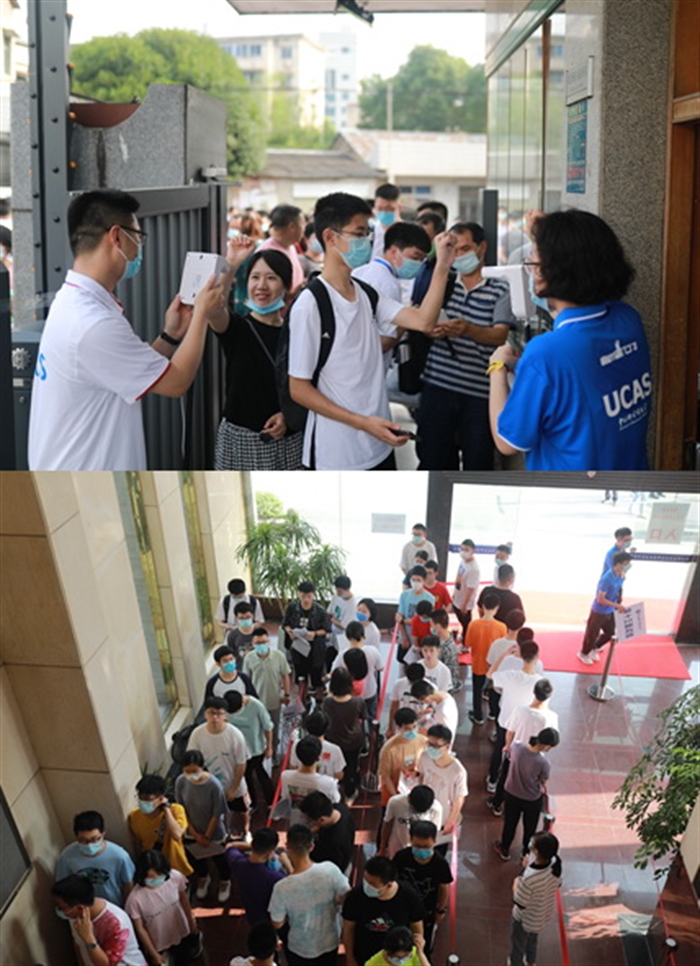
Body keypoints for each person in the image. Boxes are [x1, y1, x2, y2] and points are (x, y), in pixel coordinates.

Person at [28, 188, 225, 470]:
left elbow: (125, 371)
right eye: (138, 237)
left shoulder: (73, 302)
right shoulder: (93, 324)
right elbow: (177, 382)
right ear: (117, 237)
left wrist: (170, 336)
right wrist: (202, 315)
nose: (139, 248)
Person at [287, 192, 456, 471]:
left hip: (379, 441)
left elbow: (424, 322)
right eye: (358, 234)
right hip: (339, 453)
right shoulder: (310, 304)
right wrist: (363, 423)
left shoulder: (367, 293)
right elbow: (299, 389)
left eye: (368, 233)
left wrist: (442, 266)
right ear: (330, 237)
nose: (366, 242)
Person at [489, 208, 652, 470]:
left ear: (546, 273)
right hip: (631, 482)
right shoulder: (627, 319)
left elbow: (507, 442)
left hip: (570, 491)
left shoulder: (546, 353)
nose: (532, 271)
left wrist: (497, 367)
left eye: (533, 264)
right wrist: (545, 238)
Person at [417, 220, 515, 470]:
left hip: (479, 393)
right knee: (434, 458)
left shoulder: (501, 288)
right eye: (454, 249)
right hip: (438, 385)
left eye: (465, 249)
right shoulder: (443, 282)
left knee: (477, 462)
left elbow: (499, 336)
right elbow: (421, 320)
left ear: (482, 247)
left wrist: (468, 330)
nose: (459, 255)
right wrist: (433, 330)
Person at [208, 244, 303, 470]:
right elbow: (213, 307)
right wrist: (232, 263)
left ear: (286, 285)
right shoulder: (237, 327)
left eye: (271, 278)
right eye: (255, 277)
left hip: (290, 441)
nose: (261, 286)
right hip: (241, 440)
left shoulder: (296, 332)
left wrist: (288, 416)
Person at [269, 823, 351, 966]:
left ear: (287, 846)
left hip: (300, 947)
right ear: (312, 846)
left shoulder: (282, 887)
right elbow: (347, 897)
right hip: (330, 941)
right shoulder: (330, 869)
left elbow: (277, 922)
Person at [486, 640, 543, 801]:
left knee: (499, 749)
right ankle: (509, 788)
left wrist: (504, 655)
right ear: (537, 657)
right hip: (523, 726)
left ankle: (492, 780)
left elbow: (489, 674)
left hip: (505, 721)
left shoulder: (510, 676)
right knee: (516, 758)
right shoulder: (539, 681)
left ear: (520, 656)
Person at [342, 854, 425, 966]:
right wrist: (350, 957)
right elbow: (349, 928)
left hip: (396, 959)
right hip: (364, 956)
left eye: (372, 884)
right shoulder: (355, 897)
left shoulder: (409, 897)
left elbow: (416, 928)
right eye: (365, 880)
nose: (367, 886)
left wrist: (417, 953)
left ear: (389, 885)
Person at [186, 697, 251, 841]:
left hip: (233, 783)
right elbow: (192, 760)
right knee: (217, 813)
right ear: (205, 714)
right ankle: (226, 834)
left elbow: (241, 763)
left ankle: (246, 830)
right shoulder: (197, 734)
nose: (215, 717)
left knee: (242, 809)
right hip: (210, 785)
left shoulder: (235, 735)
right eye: (211, 713)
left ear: (225, 715)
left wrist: (234, 788)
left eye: (219, 714)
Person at [174, 749, 231, 904]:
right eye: (187, 771)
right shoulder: (181, 782)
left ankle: (225, 881)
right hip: (192, 830)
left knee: (219, 859)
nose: (191, 775)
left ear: (203, 766)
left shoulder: (214, 785)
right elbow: (181, 809)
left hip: (213, 831)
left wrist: (206, 836)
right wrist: (195, 834)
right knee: (197, 858)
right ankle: (204, 877)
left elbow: (217, 814)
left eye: (194, 771)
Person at [494, 728, 560, 861]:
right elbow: (543, 781)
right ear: (547, 746)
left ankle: (505, 848)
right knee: (530, 828)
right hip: (531, 799)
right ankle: (526, 852)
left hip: (511, 793)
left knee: (509, 823)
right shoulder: (544, 763)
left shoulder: (517, 747)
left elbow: (509, 757)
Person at [52, 874, 146, 966]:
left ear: (80, 908)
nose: (60, 911)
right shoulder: (76, 914)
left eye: (61, 908)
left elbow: (107, 964)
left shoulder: (115, 922)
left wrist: (88, 938)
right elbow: (78, 944)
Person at [125, 851, 200, 965]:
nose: (156, 879)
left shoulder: (175, 877)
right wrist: (153, 953)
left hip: (180, 928)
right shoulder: (135, 899)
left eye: (159, 874)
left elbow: (184, 900)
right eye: (151, 876)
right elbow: (140, 929)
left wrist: (191, 920)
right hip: (158, 939)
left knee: (184, 956)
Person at [394, 820, 453, 957]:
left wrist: (441, 909)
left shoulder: (440, 863)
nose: (421, 850)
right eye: (417, 846)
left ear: (434, 841)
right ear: (410, 839)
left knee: (423, 939)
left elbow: (444, 886)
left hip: (427, 910)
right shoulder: (401, 857)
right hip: (404, 907)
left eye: (426, 846)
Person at [56, 810, 135, 908]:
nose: (89, 845)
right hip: (84, 909)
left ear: (103, 834)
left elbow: (128, 884)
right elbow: (63, 886)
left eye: (95, 839)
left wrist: (127, 908)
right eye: (83, 840)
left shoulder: (119, 856)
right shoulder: (67, 856)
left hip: (114, 906)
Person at [508, 832, 563, 966]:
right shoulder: (555, 864)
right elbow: (557, 883)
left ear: (536, 851)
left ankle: (515, 963)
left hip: (524, 918)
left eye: (532, 844)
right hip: (540, 915)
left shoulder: (530, 877)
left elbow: (520, 903)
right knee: (532, 940)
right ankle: (531, 962)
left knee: (518, 943)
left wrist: (516, 882)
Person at [242, 626, 292, 761]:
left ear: (269, 641)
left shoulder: (278, 656)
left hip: (274, 700)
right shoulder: (249, 658)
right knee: (258, 728)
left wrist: (287, 694)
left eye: (264, 642)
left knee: (274, 727)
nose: (261, 645)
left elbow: (285, 675)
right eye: (258, 643)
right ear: (253, 644)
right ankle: (260, 753)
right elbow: (246, 680)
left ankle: (273, 753)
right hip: (256, 702)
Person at [128, 774, 192, 878]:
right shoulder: (134, 816)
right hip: (153, 868)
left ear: (160, 798)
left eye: (148, 799)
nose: (144, 802)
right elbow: (137, 844)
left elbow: (177, 834)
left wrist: (166, 809)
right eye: (141, 797)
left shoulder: (176, 810)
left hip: (175, 867)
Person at [416, 725, 467, 851]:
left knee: (438, 849)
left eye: (436, 746)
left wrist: (451, 821)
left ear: (448, 747)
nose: (432, 749)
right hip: (425, 812)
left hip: (443, 817)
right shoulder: (424, 757)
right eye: (430, 744)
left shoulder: (458, 771)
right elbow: (421, 777)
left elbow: (459, 799)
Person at [226, 828, 288, 925]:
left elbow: (229, 846)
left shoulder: (237, 863)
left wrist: (255, 847)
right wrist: (287, 863)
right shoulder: (276, 878)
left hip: (251, 913)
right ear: (269, 853)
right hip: (271, 917)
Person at [578, 550, 631, 664]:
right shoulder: (606, 579)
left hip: (610, 610)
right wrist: (617, 605)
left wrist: (618, 602)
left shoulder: (621, 576)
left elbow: (618, 589)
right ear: (618, 564)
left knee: (610, 633)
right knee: (592, 634)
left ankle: (595, 647)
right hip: (599, 611)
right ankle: (584, 653)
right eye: (626, 564)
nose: (628, 566)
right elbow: (600, 599)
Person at [225, 690, 275, 812]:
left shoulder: (257, 706)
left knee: (261, 774)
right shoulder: (227, 707)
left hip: (256, 749)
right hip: (240, 751)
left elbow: (268, 727)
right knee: (247, 776)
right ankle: (253, 803)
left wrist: (269, 747)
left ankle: (271, 801)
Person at [322, 667, 366, 800]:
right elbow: (363, 717)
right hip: (353, 741)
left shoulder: (327, 702)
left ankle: (333, 789)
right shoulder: (358, 702)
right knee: (351, 766)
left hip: (333, 740)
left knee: (333, 766)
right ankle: (349, 793)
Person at [278, 735, 341, 826]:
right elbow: (335, 802)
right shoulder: (329, 783)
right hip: (319, 824)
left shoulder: (285, 776)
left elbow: (285, 797)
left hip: (296, 822)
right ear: (318, 758)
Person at [464, 592, 507, 726]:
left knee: (477, 691)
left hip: (478, 664)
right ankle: (493, 713)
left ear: (482, 606)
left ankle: (478, 716)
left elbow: (467, 643)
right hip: (494, 667)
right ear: (497, 608)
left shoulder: (473, 624)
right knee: (494, 691)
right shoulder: (501, 627)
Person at [282, 581, 332, 688]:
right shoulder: (292, 608)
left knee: (316, 671)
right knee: (300, 670)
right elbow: (285, 624)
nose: (306, 600)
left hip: (315, 646)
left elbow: (327, 629)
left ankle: (316, 690)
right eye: (303, 596)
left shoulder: (320, 611)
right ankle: (302, 692)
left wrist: (314, 633)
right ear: (299, 594)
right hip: (298, 645)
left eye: (309, 596)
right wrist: (290, 633)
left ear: (313, 595)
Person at [332, 619, 385, 719]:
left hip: (351, 693)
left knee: (353, 718)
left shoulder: (342, 655)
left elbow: (334, 672)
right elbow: (381, 667)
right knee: (370, 715)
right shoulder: (373, 650)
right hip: (370, 690)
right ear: (363, 635)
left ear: (347, 636)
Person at [379, 708, 428, 811]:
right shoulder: (389, 749)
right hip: (394, 793)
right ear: (398, 728)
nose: (412, 731)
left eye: (414, 727)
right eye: (407, 728)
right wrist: (397, 798)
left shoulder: (423, 742)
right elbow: (385, 776)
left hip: (415, 792)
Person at [299, 790, 357, 874]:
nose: (307, 822)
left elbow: (331, 870)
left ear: (322, 819)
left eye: (309, 821)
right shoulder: (340, 808)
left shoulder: (334, 842)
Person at [381, 785, 444, 861]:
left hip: (421, 851)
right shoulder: (395, 802)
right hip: (397, 845)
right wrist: (382, 847)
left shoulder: (436, 809)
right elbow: (387, 824)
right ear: (409, 799)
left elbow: (433, 834)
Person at [258, 203, 305, 292]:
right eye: (302, 224)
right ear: (292, 227)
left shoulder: (290, 246)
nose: (304, 229)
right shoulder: (267, 252)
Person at [289, 710, 346, 780]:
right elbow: (338, 775)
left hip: (302, 783)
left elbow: (293, 767)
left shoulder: (297, 744)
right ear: (326, 728)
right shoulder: (335, 750)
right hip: (326, 785)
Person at [396, 567, 435, 664]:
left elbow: (428, 619)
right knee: (402, 659)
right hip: (406, 633)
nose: (415, 582)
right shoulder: (404, 595)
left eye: (418, 580)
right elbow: (400, 616)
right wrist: (404, 637)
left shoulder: (430, 598)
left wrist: (409, 621)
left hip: (422, 637)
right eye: (413, 580)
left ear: (424, 581)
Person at [428, 609, 461, 693]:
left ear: (438, 626)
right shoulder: (446, 638)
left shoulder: (445, 647)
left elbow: (445, 671)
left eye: (431, 625)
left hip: (445, 686)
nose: (431, 627)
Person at [452, 538, 480, 637]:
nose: (463, 552)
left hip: (465, 602)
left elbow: (471, 589)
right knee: (461, 620)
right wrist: (455, 593)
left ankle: (466, 640)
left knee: (466, 624)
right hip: (458, 597)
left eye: (467, 550)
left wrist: (465, 605)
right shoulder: (463, 561)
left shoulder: (474, 569)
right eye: (462, 549)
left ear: (473, 551)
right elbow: (459, 576)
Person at [364, 927, 431, 966]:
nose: (401, 961)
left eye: (406, 956)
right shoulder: (372, 964)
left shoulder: (415, 953)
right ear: (388, 951)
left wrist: (421, 953)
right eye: (397, 957)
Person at [326, 575, 358, 656]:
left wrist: (333, 620)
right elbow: (329, 612)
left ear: (347, 589)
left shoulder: (352, 604)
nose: (338, 593)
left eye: (340, 591)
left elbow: (345, 626)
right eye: (337, 590)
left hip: (343, 638)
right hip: (333, 634)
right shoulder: (337, 596)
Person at [371, 182, 403, 257]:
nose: (384, 213)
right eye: (380, 209)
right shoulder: (369, 232)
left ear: (399, 208)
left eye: (389, 209)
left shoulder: (408, 233)